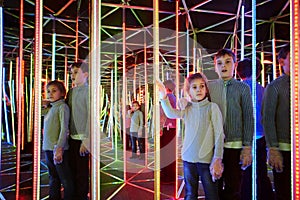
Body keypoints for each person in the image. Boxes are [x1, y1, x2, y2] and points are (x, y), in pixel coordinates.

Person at [158, 73, 224, 200]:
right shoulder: (187, 108)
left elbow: (219, 134)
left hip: (206, 160)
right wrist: (163, 97)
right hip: (188, 159)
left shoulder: (212, 108)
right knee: (189, 194)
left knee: (211, 194)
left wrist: (217, 158)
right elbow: (171, 114)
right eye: (194, 87)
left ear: (206, 89)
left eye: (201, 86)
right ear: (188, 91)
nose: (199, 89)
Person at [208, 48, 254, 200]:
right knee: (213, 187)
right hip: (213, 147)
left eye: (228, 62)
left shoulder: (243, 88)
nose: (223, 66)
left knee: (233, 188)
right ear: (215, 67)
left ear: (234, 64)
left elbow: (248, 118)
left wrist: (247, 147)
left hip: (235, 146)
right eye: (219, 63)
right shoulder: (209, 87)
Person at [236, 58, 274, 200]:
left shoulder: (237, 89)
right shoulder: (264, 91)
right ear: (258, 72)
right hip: (260, 136)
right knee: (260, 172)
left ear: (239, 72)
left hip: (241, 137)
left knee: (243, 173)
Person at [262, 44, 291, 200]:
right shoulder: (275, 87)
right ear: (281, 61)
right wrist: (273, 148)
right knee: (284, 191)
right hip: (284, 148)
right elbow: (267, 118)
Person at [42, 80, 74, 200]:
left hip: (57, 148)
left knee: (65, 178)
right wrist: (44, 104)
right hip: (48, 148)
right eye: (48, 91)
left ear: (62, 93)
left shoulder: (62, 107)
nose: (50, 94)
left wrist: (59, 147)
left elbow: (64, 129)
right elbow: (38, 114)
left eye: (54, 91)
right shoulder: (50, 108)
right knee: (53, 177)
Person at [66, 61, 90, 200]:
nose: (72, 76)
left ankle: (81, 196)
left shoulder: (89, 92)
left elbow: (91, 116)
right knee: (72, 170)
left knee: (81, 171)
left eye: (76, 72)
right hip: (71, 137)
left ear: (86, 74)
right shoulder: (71, 92)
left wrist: (86, 139)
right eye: (71, 73)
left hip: (82, 137)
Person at [160, 80, 177, 186]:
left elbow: (164, 115)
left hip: (167, 128)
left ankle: (169, 175)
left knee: (167, 152)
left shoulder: (167, 98)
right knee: (168, 152)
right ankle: (168, 173)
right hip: (171, 128)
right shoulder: (173, 98)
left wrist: (160, 127)